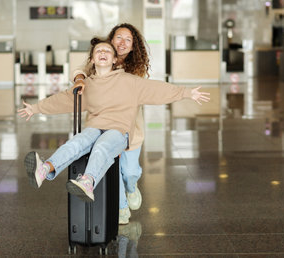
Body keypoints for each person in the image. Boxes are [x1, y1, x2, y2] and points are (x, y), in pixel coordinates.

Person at [17, 38, 210, 204]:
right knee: (77, 142)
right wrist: (36, 108)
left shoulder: (129, 81)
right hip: (95, 127)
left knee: (102, 146)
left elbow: (157, 89)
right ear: (92, 59)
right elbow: (65, 100)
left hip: (119, 131)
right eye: (98, 51)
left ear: (115, 59)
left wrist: (186, 93)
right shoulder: (87, 85)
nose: (102, 53)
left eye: (107, 51)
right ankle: (44, 169)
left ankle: (88, 182)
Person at [72, 23, 151, 224]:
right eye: (118, 38)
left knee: (130, 172)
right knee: (110, 167)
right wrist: (80, 78)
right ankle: (122, 208)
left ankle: (132, 187)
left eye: (128, 40)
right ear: (111, 39)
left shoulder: (137, 69)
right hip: (104, 128)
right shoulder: (101, 58)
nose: (122, 43)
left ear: (133, 46)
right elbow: (80, 69)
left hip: (130, 130)